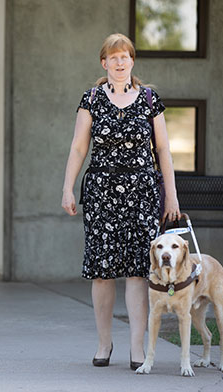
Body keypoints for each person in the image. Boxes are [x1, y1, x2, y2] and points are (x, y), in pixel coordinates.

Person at [61, 33, 181, 370]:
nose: (119, 62)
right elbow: (78, 147)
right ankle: (104, 344)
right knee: (102, 273)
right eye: (113, 57)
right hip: (101, 195)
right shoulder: (92, 99)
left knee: (138, 273)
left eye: (124, 56)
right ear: (104, 63)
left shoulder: (148, 99)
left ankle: (136, 349)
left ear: (132, 61)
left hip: (142, 193)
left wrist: (170, 194)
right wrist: (67, 188)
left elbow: (163, 150)